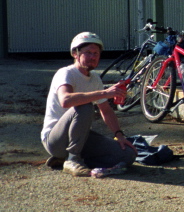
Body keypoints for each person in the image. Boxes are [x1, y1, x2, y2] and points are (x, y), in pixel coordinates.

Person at [41, 32, 137, 178]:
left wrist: (120, 136)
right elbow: (65, 100)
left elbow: (106, 111)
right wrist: (105, 93)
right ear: (75, 54)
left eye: (96, 53)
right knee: (85, 106)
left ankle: (68, 159)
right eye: (88, 53)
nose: (93, 57)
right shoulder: (65, 73)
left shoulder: (95, 78)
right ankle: (72, 160)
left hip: (80, 138)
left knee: (127, 154)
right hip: (55, 140)